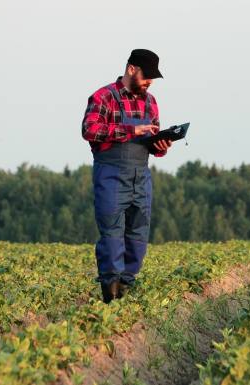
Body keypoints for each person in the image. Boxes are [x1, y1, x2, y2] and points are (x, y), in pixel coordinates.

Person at [81, 49, 172, 303]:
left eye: (152, 78)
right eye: (147, 76)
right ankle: (110, 292)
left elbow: (151, 143)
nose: (149, 82)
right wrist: (132, 129)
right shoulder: (103, 97)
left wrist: (160, 146)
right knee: (111, 234)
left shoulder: (151, 101)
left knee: (138, 235)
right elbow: (89, 129)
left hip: (141, 175)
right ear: (132, 69)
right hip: (110, 173)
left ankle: (126, 288)